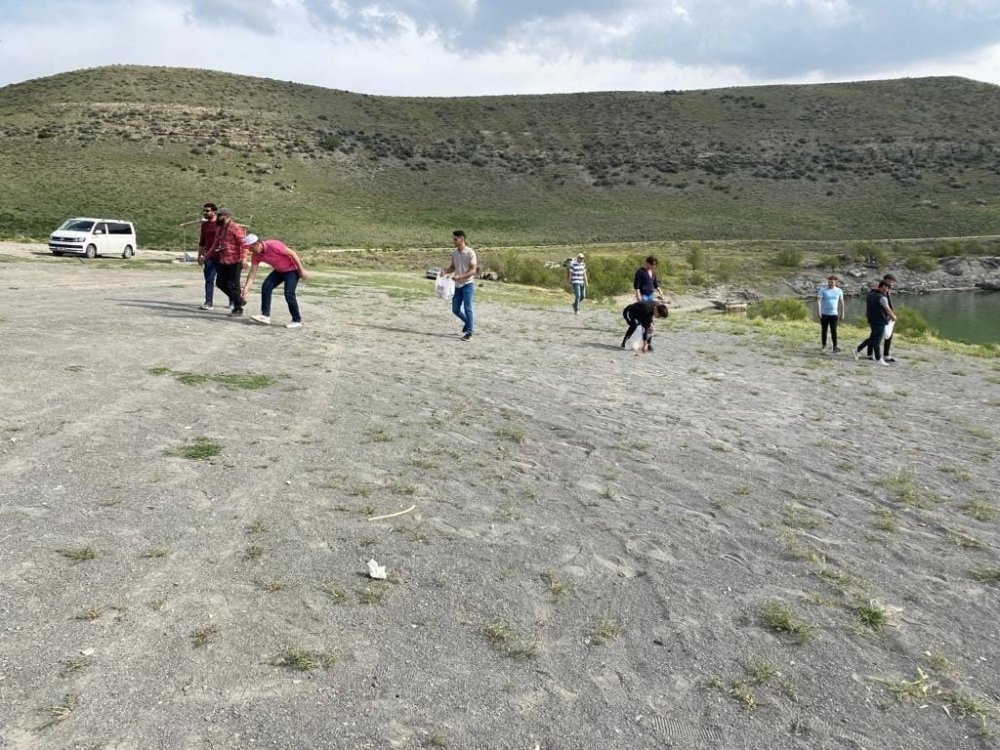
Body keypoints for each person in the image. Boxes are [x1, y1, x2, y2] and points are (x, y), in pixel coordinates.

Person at [241, 235, 309, 329]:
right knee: (266, 286)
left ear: (257, 244)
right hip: (279, 271)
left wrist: (301, 271)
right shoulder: (256, 256)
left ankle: (296, 320)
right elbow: (252, 273)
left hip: (292, 270)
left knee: (289, 293)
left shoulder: (273, 245)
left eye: (251, 248)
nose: (251, 251)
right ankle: (265, 316)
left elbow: (292, 254)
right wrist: (246, 290)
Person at [211, 208, 247, 317]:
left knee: (234, 285)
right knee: (220, 283)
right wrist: (207, 255)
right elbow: (215, 244)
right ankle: (239, 300)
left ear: (226, 216)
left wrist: (244, 259)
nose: (217, 217)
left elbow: (244, 245)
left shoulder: (235, 228)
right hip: (223, 260)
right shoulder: (219, 228)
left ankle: (238, 308)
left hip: (235, 261)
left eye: (219, 215)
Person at [854, 274, 898, 361]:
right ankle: (870, 354)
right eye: (891, 282)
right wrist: (892, 315)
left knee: (881, 336)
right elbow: (876, 304)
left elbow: (888, 305)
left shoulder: (884, 292)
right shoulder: (877, 292)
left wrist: (890, 314)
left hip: (884, 317)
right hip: (880, 317)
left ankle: (883, 355)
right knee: (875, 336)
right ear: (886, 281)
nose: (891, 285)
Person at [442, 229, 477, 340]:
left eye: (455, 239)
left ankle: (469, 332)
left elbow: (473, 270)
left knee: (468, 308)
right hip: (457, 286)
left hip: (468, 285)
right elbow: (453, 267)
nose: (453, 241)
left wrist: (460, 277)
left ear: (462, 239)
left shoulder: (470, 253)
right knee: (455, 309)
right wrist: (445, 272)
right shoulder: (455, 253)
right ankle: (468, 322)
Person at [196, 203, 219, 310]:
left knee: (226, 281)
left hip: (222, 255)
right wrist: (199, 255)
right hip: (209, 256)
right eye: (204, 210)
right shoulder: (205, 225)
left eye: (207, 211)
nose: (205, 212)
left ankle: (233, 300)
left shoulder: (220, 223)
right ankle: (208, 302)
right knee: (209, 279)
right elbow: (202, 241)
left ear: (214, 211)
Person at [816, 274, 845, 352]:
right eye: (829, 282)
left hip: (834, 314)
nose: (830, 284)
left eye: (831, 282)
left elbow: (842, 302)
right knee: (824, 330)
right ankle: (824, 346)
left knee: (834, 330)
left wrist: (842, 313)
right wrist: (819, 312)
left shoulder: (839, 291)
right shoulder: (822, 290)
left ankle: (835, 347)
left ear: (835, 282)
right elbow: (818, 301)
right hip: (824, 314)